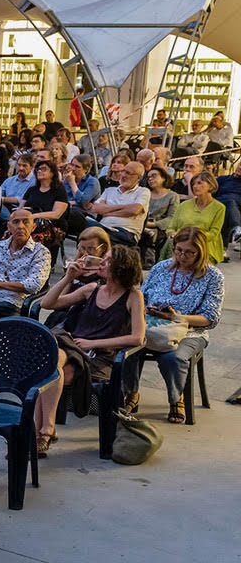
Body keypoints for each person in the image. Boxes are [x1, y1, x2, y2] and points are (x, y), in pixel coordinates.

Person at [35, 246, 146, 447]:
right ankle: (45, 431)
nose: (101, 262)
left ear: (122, 266)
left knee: (47, 369)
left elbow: (137, 338)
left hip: (100, 357)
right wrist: (68, 278)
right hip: (73, 348)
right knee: (51, 362)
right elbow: (47, 304)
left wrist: (93, 343)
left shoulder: (133, 297)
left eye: (108, 260)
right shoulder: (92, 289)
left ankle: (41, 433)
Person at [133, 227, 224, 423]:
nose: (183, 256)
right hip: (151, 324)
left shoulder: (213, 276)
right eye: (179, 250)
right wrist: (146, 309)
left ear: (200, 252)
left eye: (190, 252)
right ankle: (130, 393)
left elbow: (210, 318)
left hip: (190, 332)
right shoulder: (161, 268)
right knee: (128, 348)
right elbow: (140, 296)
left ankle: (176, 398)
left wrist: (177, 318)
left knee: (172, 358)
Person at [0, 208, 52, 317]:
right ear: (9, 227)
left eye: (26, 222)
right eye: (16, 222)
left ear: (33, 227)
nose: (20, 226)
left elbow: (34, 285)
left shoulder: (41, 252)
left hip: (10, 304)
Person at [162, 173, 225, 263]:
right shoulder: (184, 205)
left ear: (211, 185)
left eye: (199, 183)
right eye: (193, 184)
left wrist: (192, 238)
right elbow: (171, 227)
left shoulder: (219, 207)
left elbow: (214, 233)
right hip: (181, 245)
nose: (195, 186)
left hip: (204, 246)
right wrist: (172, 233)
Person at [88, 161, 150, 245]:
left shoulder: (143, 192)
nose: (123, 175)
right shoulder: (109, 190)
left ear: (139, 177)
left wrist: (107, 212)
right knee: (84, 227)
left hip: (126, 232)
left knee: (95, 238)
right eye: (123, 171)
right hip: (103, 227)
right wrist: (124, 207)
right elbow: (95, 208)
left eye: (128, 173)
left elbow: (134, 210)